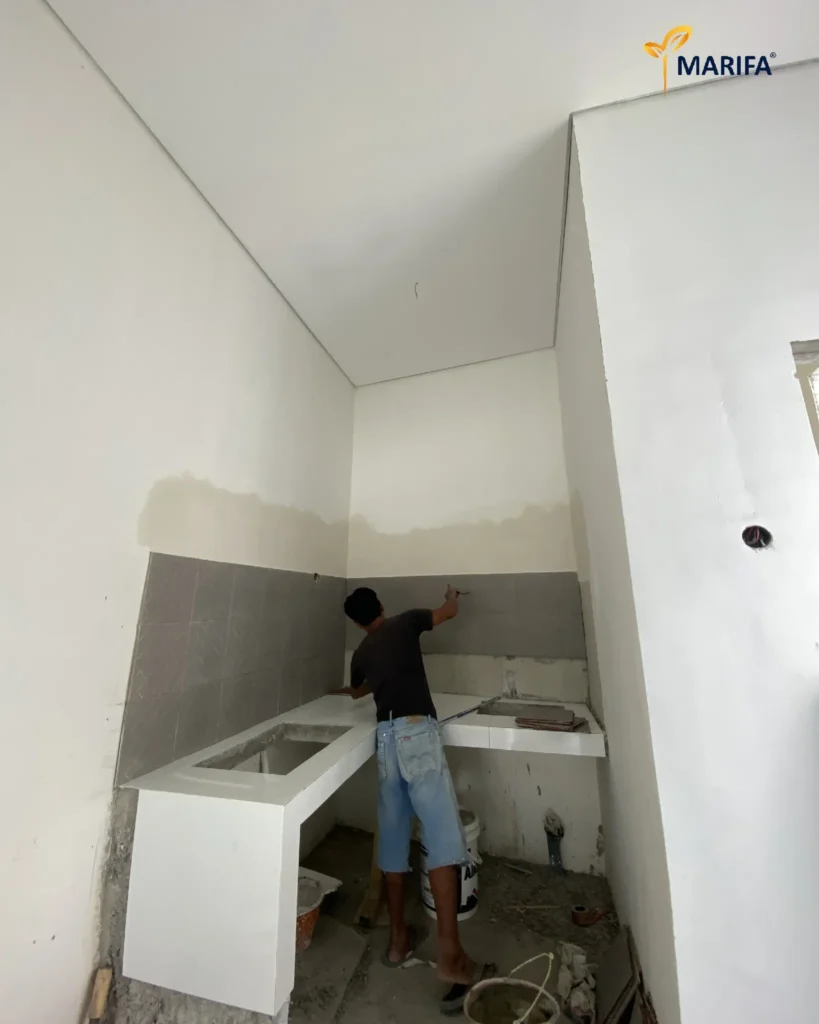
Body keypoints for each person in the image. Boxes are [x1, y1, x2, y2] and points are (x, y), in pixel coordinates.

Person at [337, 584, 492, 1012]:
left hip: (385, 741)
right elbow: (448, 611)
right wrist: (453, 595)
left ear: (357, 623)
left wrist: (345, 691)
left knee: (392, 840)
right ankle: (451, 954)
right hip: (417, 734)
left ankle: (398, 940)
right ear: (381, 607)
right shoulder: (406, 622)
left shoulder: (361, 653)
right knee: (442, 840)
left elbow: (360, 690)